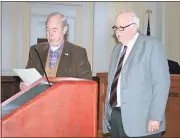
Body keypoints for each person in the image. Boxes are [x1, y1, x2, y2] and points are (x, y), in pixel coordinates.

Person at [102, 9, 170, 138]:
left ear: (134, 27)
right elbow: (113, 84)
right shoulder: (117, 49)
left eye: (121, 28)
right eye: (115, 28)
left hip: (142, 121)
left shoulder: (152, 45)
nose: (117, 32)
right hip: (116, 117)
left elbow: (161, 84)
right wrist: (108, 115)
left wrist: (155, 117)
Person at [20, 12, 92, 90]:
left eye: (54, 30)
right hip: (40, 100)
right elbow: (27, 77)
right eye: (48, 30)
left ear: (64, 30)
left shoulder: (78, 53)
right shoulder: (35, 50)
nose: (50, 35)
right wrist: (23, 85)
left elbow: (86, 86)